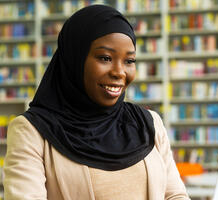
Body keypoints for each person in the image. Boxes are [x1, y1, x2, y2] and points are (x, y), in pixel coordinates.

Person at [3, 4, 191, 200]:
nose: (119, 72)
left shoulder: (149, 123)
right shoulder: (32, 131)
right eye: (105, 58)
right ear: (74, 59)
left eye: (129, 61)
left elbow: (175, 195)